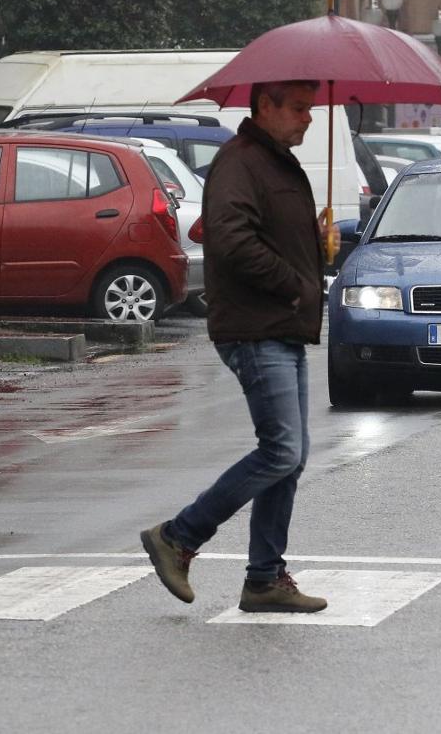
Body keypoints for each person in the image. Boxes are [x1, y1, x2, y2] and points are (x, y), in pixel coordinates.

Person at [141, 79, 335, 614]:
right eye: (298, 108)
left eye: (310, 108)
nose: (308, 119)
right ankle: (179, 537)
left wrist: (315, 246)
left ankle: (264, 578)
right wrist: (295, 283)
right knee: (281, 451)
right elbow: (231, 238)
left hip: (281, 323)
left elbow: (266, 233)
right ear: (265, 106)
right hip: (257, 326)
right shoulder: (241, 161)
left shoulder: (272, 161)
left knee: (290, 459)